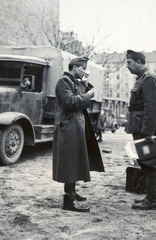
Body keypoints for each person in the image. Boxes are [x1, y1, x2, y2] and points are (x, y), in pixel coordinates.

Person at [52, 56, 105, 212]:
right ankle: (68, 200)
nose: (84, 71)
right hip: (68, 126)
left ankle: (72, 192)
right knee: (70, 160)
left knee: (75, 159)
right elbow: (69, 102)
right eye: (82, 68)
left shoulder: (74, 82)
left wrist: (85, 84)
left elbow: (83, 93)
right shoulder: (64, 81)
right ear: (74, 67)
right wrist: (88, 96)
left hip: (74, 125)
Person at [125, 50, 156, 210]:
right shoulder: (141, 78)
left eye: (130, 62)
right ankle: (149, 196)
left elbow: (152, 106)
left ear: (139, 62)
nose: (127, 66)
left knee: (150, 163)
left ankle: (152, 200)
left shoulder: (149, 78)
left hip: (146, 128)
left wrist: (148, 132)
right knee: (144, 161)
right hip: (140, 126)